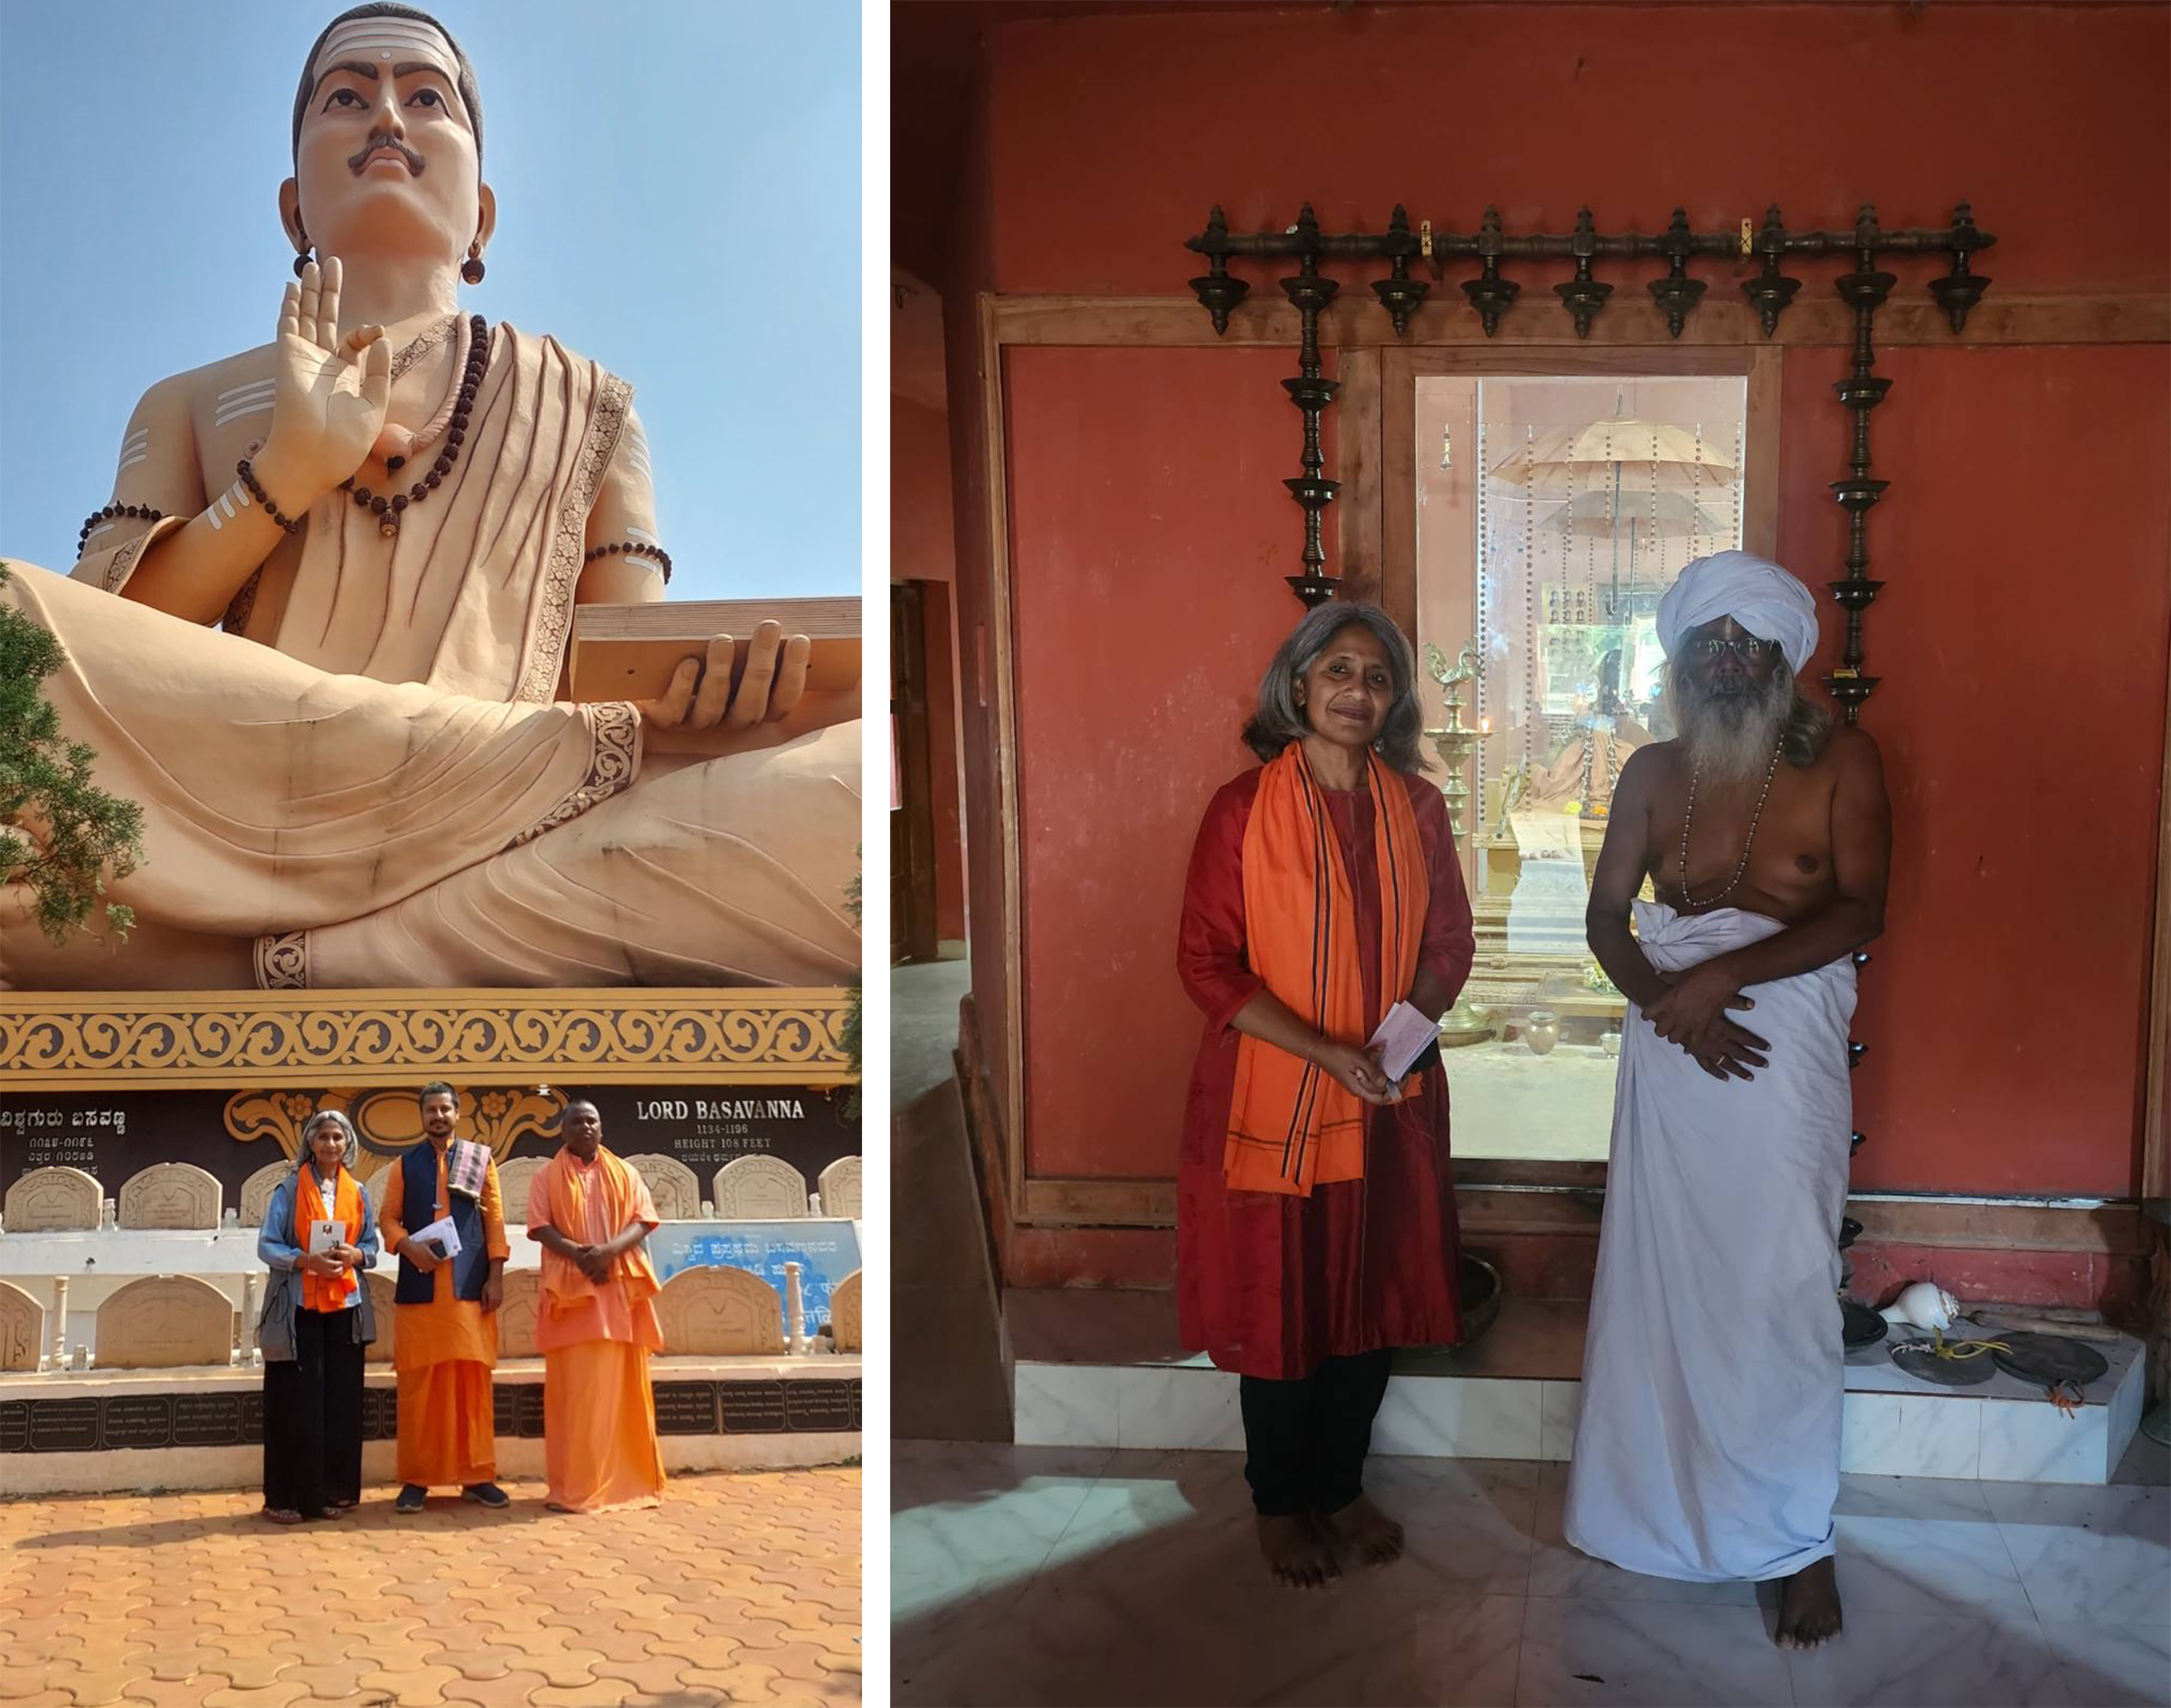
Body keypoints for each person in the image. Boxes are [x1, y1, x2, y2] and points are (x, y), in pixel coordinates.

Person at [0, 2, 858, 992]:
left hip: (520, 812)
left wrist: (720, 711)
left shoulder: (591, 409)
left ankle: (281, 957)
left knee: (850, 786)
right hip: (242, 816)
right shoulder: (195, 403)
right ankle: (381, 943)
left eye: (425, 99)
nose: (388, 121)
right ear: (292, 209)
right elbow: (88, 671)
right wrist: (284, 473)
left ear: (482, 212)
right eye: (347, 97)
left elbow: (620, 695)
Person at [1568, 549, 1891, 1649]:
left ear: (1783, 657)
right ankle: (1649, 1509)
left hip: (1778, 1049)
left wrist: (1722, 979)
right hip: (1672, 1048)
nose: (1724, 657)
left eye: (1745, 640)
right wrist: (1672, 999)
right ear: (1682, 659)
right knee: (1664, 1284)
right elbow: (1608, 917)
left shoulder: (1846, 759)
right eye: (1705, 640)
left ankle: (1800, 1542)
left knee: (1782, 1285)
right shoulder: (1653, 770)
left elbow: (1857, 912)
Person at [1176, 602, 1476, 1589]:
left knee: (1372, 1296)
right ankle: (1279, 1500)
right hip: (1274, 1099)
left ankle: (1341, 1487)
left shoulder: (1418, 809)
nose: (1358, 690)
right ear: (1298, 684)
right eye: (1338, 670)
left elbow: (1448, 948)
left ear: (1394, 701)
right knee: (1285, 1300)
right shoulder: (1241, 807)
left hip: (1389, 1096)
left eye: (1378, 676)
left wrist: (1390, 1049)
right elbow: (1207, 964)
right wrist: (1324, 1051)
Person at [525, 1099, 668, 1513]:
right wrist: (583, 1256)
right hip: (572, 1299)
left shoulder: (627, 1172)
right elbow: (541, 1226)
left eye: (592, 1120)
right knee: (576, 1398)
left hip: (619, 1291)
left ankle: (629, 1482)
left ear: (601, 1128)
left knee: (622, 1393)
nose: (585, 1126)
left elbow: (642, 1221)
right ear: (563, 1129)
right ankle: (576, 1486)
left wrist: (607, 1253)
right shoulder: (545, 1177)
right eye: (576, 1121)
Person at [376, 1080, 508, 1513]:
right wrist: (406, 1245)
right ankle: (417, 1478)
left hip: (469, 1291)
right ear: (422, 1116)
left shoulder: (479, 1159)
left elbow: (495, 1221)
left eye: (444, 1109)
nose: (438, 1116)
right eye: (430, 1110)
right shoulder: (404, 1165)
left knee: (473, 1384)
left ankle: (477, 1475)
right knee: (419, 1386)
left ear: (457, 1113)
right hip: (420, 1290)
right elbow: (388, 1218)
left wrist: (496, 1275)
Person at [257, 1108, 379, 1523]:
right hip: (299, 1309)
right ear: (310, 1142)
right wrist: (304, 1260)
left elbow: (372, 1244)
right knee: (297, 1401)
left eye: (338, 1138)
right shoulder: (288, 1191)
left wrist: (356, 1254)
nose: (330, 1144)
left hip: (344, 1308)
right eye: (323, 1136)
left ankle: (330, 1493)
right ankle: (285, 1497)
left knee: (338, 1403)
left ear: (348, 1146)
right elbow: (267, 1245)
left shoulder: (358, 1192)